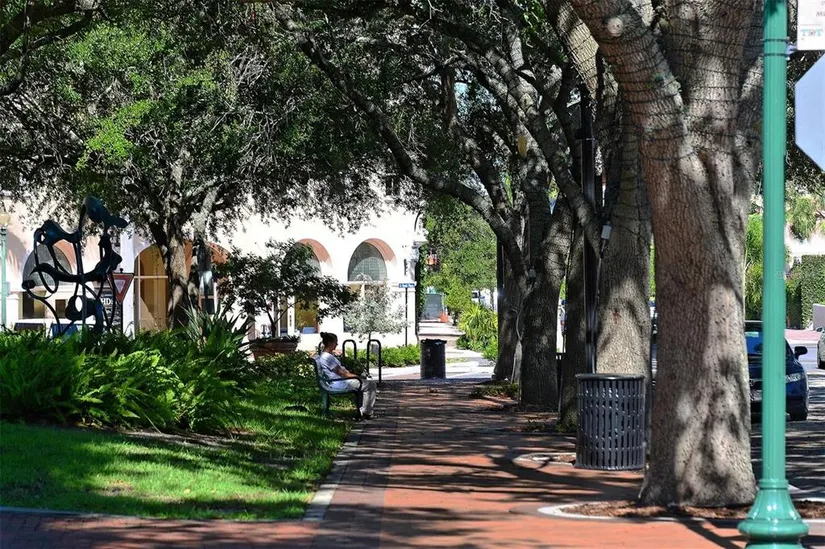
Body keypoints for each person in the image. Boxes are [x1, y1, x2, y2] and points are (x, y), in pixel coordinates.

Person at [316, 332, 377, 418]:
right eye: (335, 342)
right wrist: (356, 377)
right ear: (329, 343)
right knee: (370, 385)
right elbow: (342, 373)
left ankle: (363, 410)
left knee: (366, 382)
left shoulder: (325, 356)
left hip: (340, 381)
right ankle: (367, 412)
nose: (337, 344)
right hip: (340, 382)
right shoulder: (327, 357)